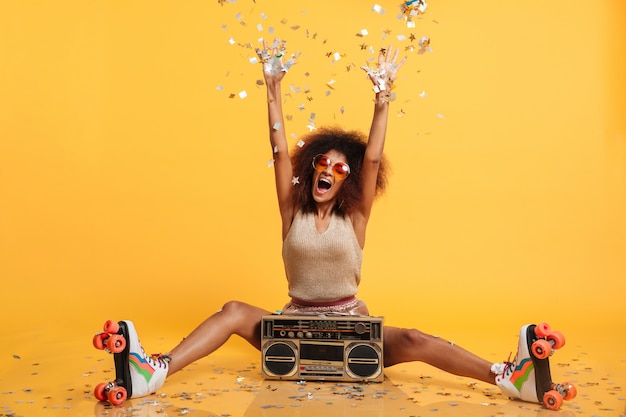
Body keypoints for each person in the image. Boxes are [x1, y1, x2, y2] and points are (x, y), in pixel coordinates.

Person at [93, 39, 575, 410]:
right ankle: (151, 370)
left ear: (348, 182)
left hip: (351, 327)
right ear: (313, 169)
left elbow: (374, 159)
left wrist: (383, 100)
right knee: (234, 309)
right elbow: (278, 150)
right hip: (294, 325)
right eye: (324, 162)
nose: (330, 170)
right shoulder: (291, 212)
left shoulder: (358, 216)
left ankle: (509, 377)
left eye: (341, 168)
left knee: (414, 341)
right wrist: (274, 87)